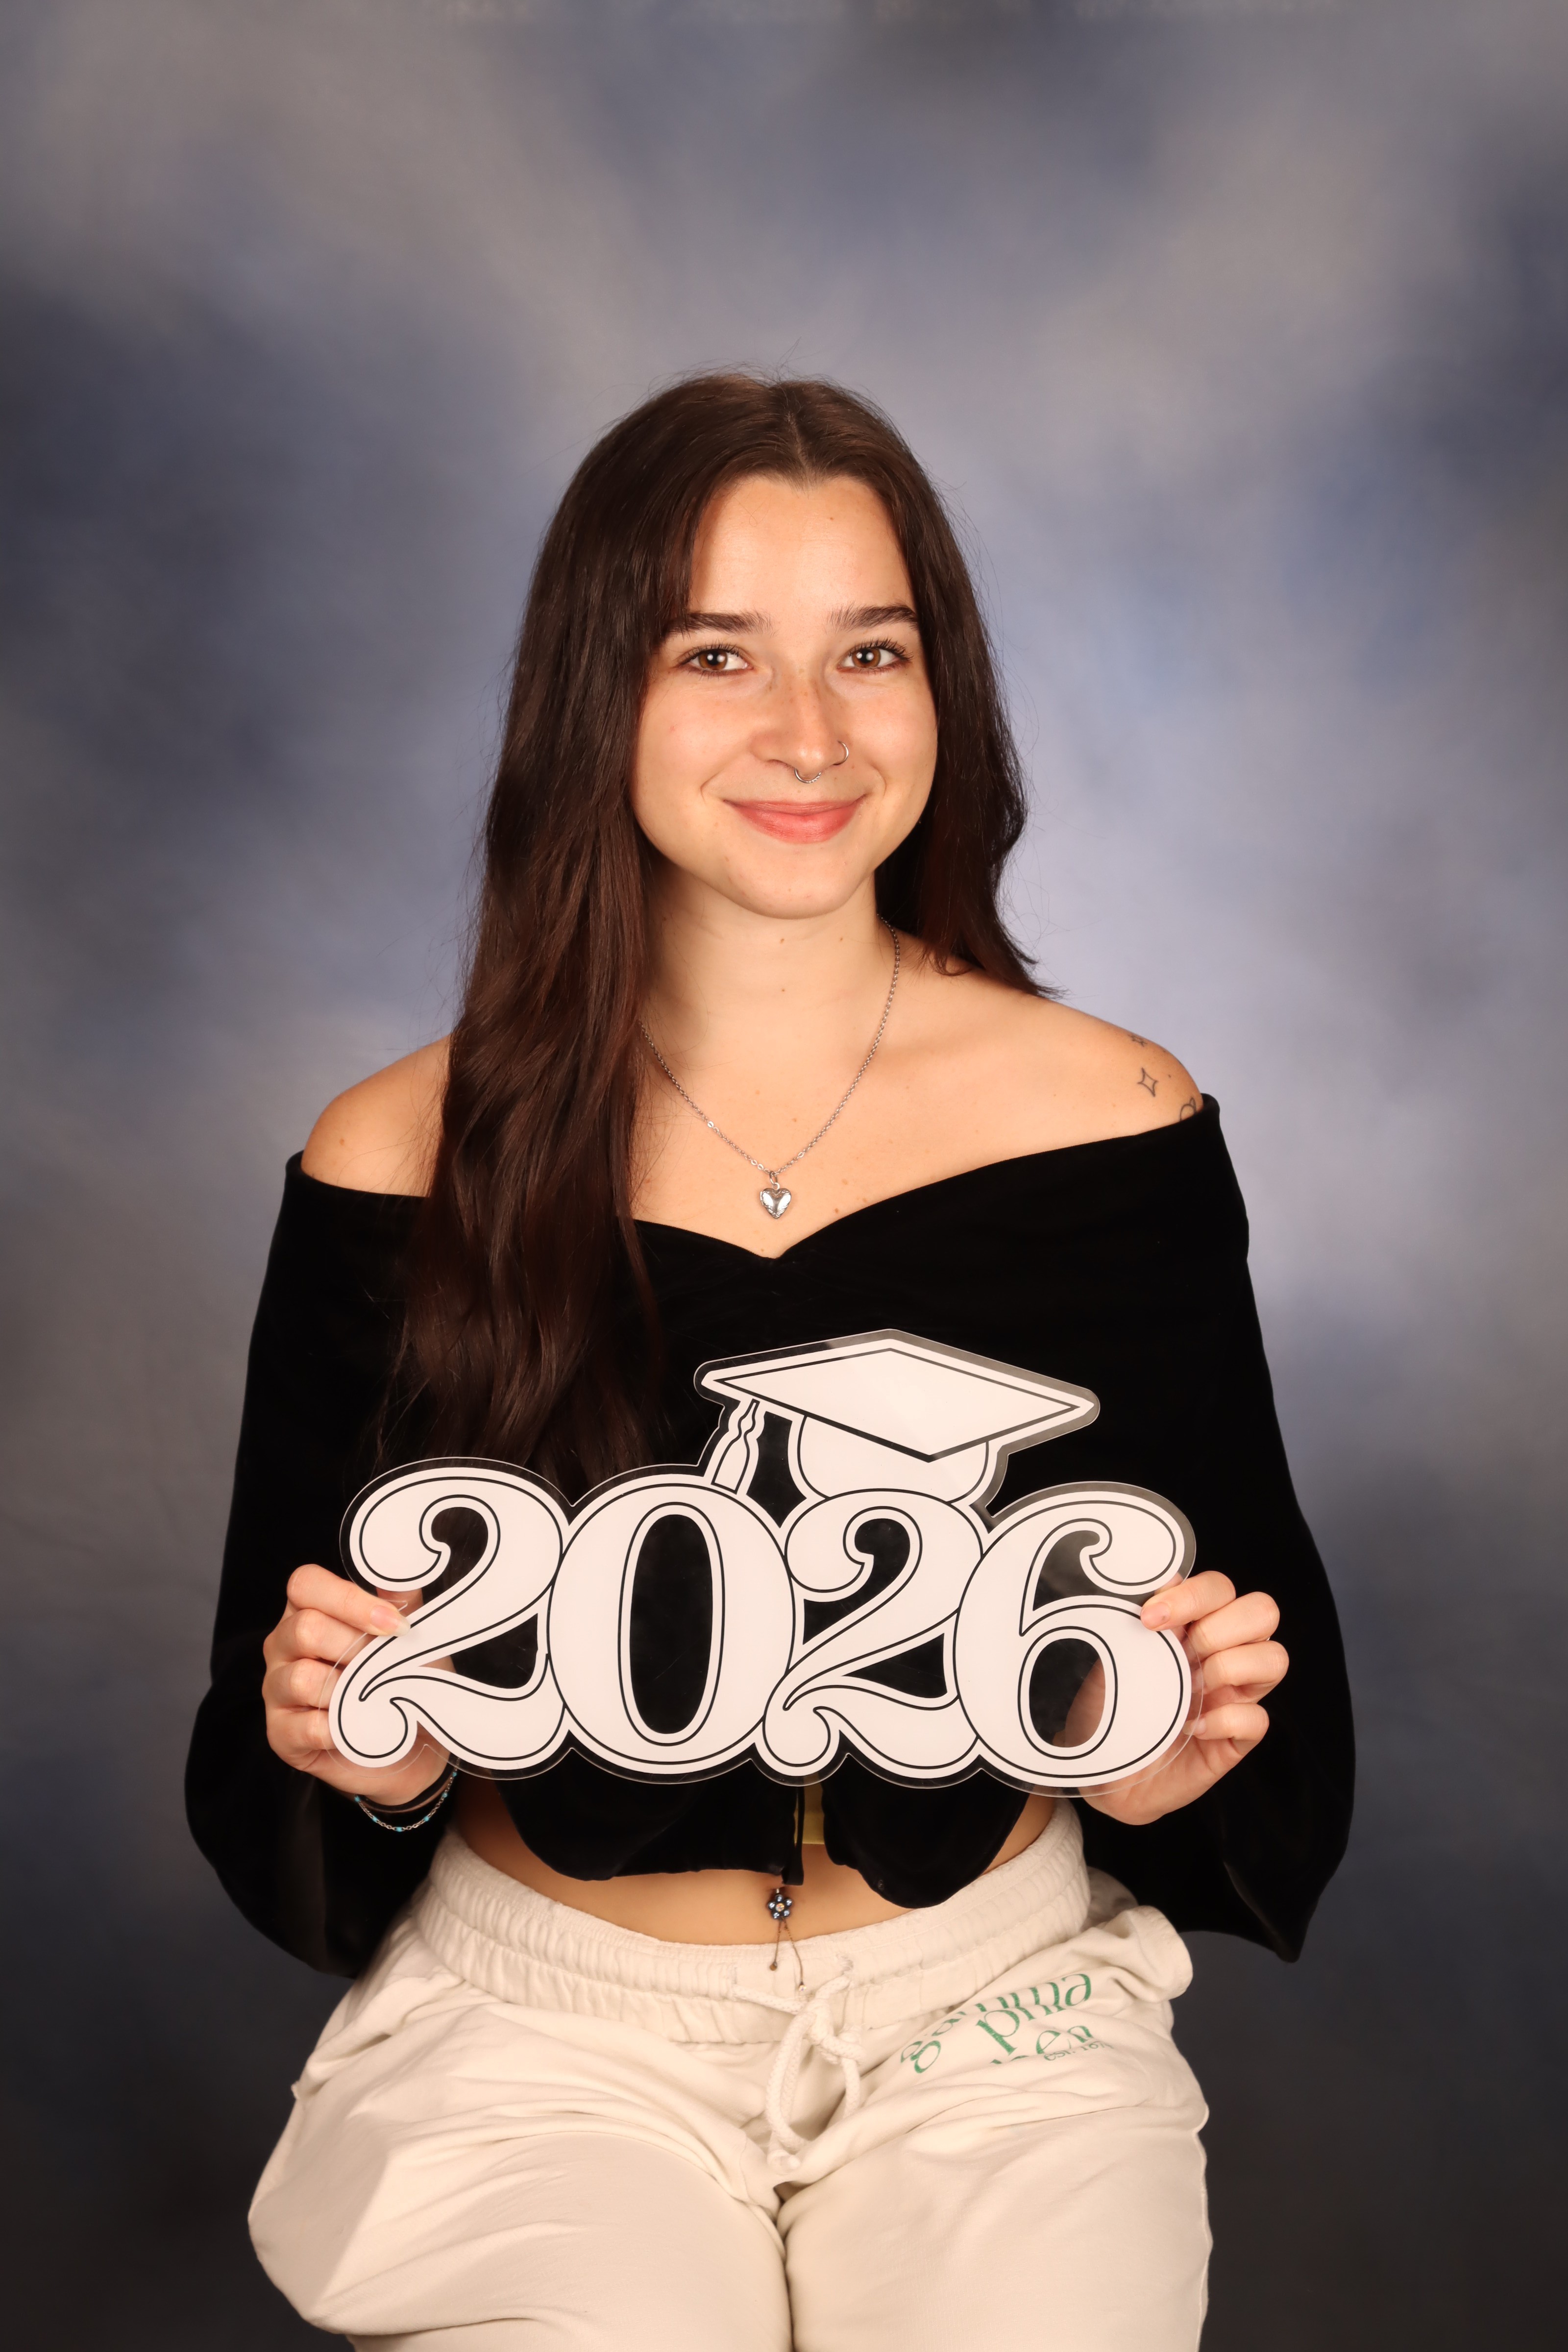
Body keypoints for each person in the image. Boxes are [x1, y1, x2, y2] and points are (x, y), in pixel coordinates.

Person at [187, 373, 1353, 2352]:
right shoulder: (398, 1155)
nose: (807, 733)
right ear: (594, 696)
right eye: (715, 653)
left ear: (941, 691)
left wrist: (1155, 1758)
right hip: (542, 2044)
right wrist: (363, 1754)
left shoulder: (1114, 1123)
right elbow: (270, 1727)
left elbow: (1247, 1658)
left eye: (868, 653)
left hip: (994, 2015)